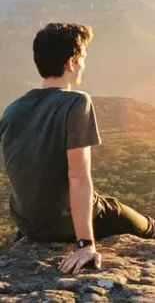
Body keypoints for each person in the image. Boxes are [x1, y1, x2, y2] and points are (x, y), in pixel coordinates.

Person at [0, 23, 155, 275]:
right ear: (71, 62)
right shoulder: (76, 102)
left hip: (30, 227)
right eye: (82, 57)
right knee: (146, 226)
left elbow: (22, 169)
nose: (83, 64)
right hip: (65, 223)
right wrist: (85, 244)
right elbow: (78, 176)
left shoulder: (11, 110)